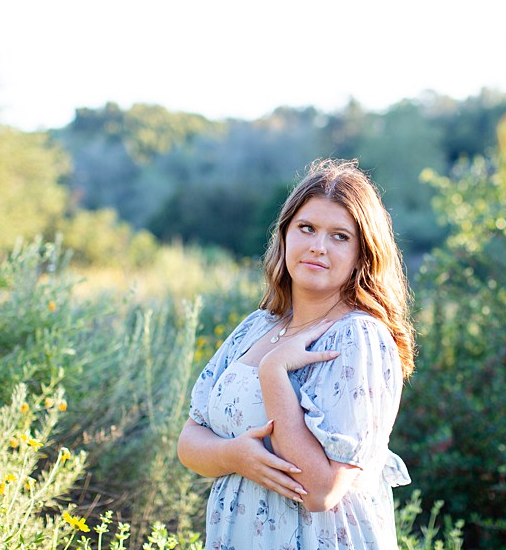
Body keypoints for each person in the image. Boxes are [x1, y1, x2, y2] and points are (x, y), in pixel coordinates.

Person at [177, 158, 415, 549]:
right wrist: (235, 456)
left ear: (363, 252)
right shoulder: (256, 327)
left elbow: (320, 491)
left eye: (340, 236)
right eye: (307, 228)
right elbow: (189, 442)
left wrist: (273, 373)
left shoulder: (359, 337)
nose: (318, 247)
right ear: (285, 235)